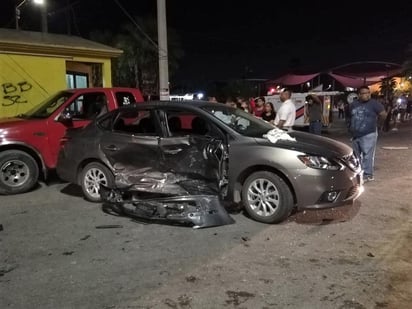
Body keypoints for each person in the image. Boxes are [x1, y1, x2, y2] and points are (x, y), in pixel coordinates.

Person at [348, 86, 387, 182]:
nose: (367, 95)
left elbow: (383, 114)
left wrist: (379, 125)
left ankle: (368, 175)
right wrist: (350, 129)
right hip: (355, 134)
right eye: (364, 93)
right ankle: (359, 173)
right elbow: (349, 116)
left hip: (369, 133)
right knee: (356, 156)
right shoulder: (353, 104)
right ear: (359, 95)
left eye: (368, 93)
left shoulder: (374, 104)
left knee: (367, 155)